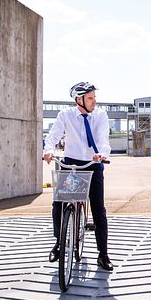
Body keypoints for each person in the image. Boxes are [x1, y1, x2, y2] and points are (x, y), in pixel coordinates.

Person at [43, 82, 114, 271]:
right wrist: (49, 151)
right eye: (90, 98)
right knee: (58, 203)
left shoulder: (100, 115)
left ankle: (103, 254)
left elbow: (102, 139)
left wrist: (102, 154)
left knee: (99, 209)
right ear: (79, 100)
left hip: (93, 163)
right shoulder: (65, 115)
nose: (94, 102)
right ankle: (59, 242)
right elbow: (52, 136)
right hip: (71, 164)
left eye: (94, 97)